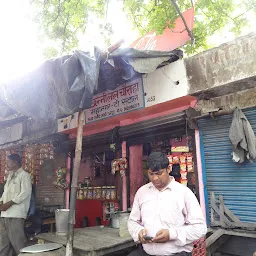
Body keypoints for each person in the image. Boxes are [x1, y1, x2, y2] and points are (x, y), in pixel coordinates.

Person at [127, 152, 207, 256]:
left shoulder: (184, 193)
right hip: (147, 252)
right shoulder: (142, 192)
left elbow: (200, 228)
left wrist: (171, 234)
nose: (155, 178)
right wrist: (139, 232)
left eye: (159, 173)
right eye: (151, 174)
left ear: (169, 169)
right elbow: (132, 222)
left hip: (177, 253)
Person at [0, 154, 32, 256]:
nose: (6, 164)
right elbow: (5, 194)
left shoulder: (24, 175)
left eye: (8, 162)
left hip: (16, 215)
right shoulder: (10, 176)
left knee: (19, 244)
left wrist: (10, 203)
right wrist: (1, 201)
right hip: (5, 215)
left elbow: (24, 193)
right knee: (4, 245)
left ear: (15, 162)